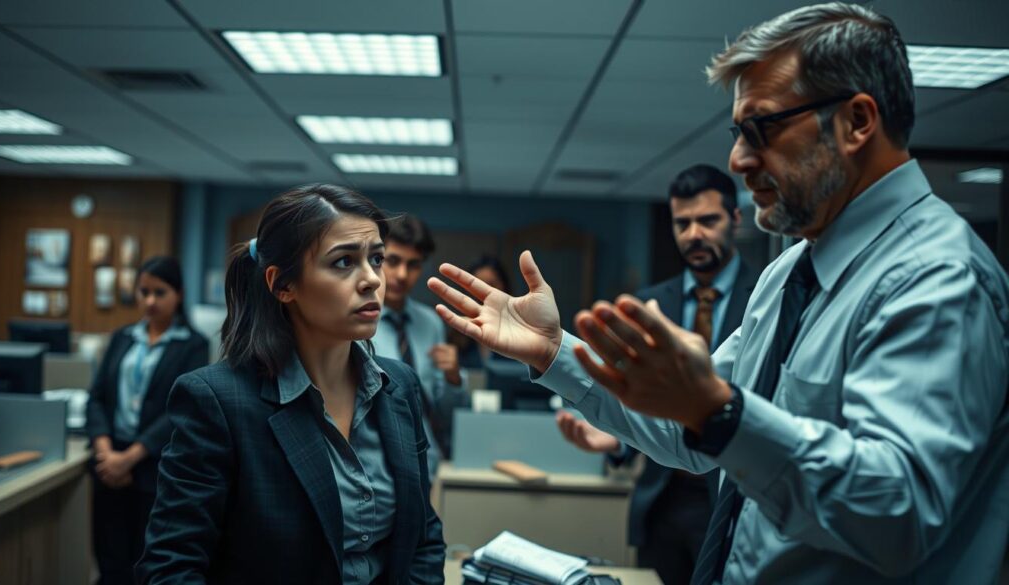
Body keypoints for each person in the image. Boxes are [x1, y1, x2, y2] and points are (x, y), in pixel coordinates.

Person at [427, 3, 1009, 583]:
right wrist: (556, 355)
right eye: (738, 133)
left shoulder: (937, 279)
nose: (737, 159)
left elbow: (897, 516)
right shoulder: (790, 274)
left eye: (763, 129)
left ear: (858, 122)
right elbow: (690, 431)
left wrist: (721, 413)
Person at [136, 184, 444, 585]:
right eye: (343, 262)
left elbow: (422, 538)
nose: (372, 280)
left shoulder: (399, 385)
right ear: (283, 285)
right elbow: (170, 569)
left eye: (377, 259)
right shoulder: (216, 401)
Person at [555, 163, 758, 583]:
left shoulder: (765, 300)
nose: (693, 234)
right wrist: (614, 442)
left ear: (735, 219)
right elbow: (638, 399)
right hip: (660, 499)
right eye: (682, 223)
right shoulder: (647, 304)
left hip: (728, 495)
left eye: (707, 220)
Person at [85, 256, 209, 585]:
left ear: (179, 295)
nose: (150, 301)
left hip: (154, 466)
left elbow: (180, 410)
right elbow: (97, 397)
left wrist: (129, 459)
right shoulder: (123, 337)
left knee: (145, 561)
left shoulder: (193, 345)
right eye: (143, 292)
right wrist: (106, 452)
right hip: (108, 463)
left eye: (160, 292)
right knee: (109, 562)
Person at [373, 214, 467, 477]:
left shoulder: (431, 322)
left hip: (427, 462)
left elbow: (443, 414)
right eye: (393, 261)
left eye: (413, 265)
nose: (402, 274)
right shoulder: (355, 322)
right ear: (376, 259)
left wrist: (453, 378)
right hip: (376, 464)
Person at [455, 255, 513, 369]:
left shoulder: (518, 332)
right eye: (477, 287)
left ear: (504, 287)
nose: (483, 294)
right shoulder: (459, 333)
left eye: (491, 285)